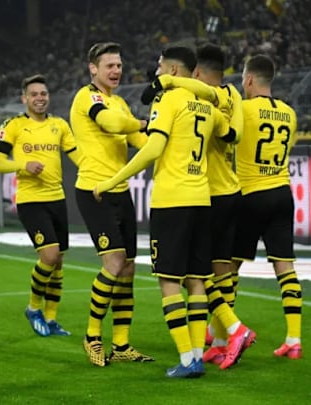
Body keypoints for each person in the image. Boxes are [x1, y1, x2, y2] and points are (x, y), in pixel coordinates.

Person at [95, 46, 238, 378]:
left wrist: (112, 181)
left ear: (173, 70)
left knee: (169, 281)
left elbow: (154, 148)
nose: (156, 73)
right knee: (198, 281)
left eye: (160, 67)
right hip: (202, 199)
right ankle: (197, 356)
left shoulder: (168, 99)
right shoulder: (206, 104)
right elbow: (232, 135)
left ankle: (187, 359)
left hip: (171, 200)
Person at [70, 42, 153, 367]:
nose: (116, 70)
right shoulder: (87, 97)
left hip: (120, 192)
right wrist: (143, 123)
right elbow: (113, 125)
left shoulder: (119, 102)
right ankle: (92, 336)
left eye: (119, 65)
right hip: (95, 192)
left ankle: (121, 344)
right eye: (110, 65)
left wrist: (163, 137)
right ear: (93, 69)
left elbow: (140, 142)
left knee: (128, 268)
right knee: (115, 263)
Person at [184, 43, 258, 369]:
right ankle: (219, 341)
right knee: (223, 270)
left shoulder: (197, 97)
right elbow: (236, 134)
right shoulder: (234, 96)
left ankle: (233, 329)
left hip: (206, 193)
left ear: (197, 72)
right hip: (232, 190)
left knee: (192, 272)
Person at [0, 74, 81, 337]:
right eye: (34, 94)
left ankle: (51, 319)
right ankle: (33, 308)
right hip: (31, 200)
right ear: (24, 99)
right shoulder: (14, 125)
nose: (40, 98)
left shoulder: (59, 125)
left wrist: (100, 173)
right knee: (49, 256)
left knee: (59, 262)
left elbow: (78, 156)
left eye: (43, 93)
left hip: (57, 198)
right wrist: (23, 165)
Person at [232, 54, 302, 359]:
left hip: (250, 194)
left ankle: (221, 332)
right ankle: (294, 339)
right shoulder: (289, 113)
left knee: (228, 267)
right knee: (285, 267)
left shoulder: (243, 109)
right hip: (283, 194)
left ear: (249, 80)